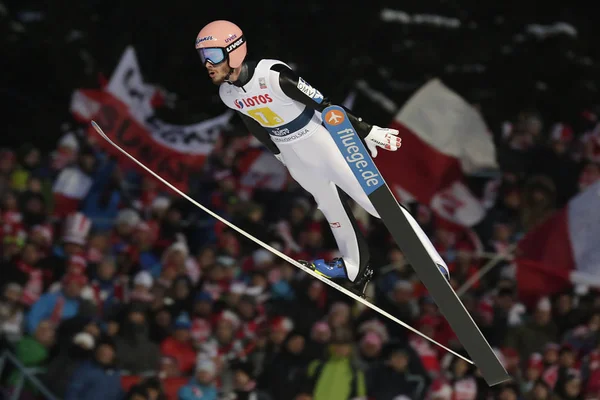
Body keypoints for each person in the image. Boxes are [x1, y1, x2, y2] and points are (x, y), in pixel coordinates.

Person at [195, 20, 450, 294]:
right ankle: (355, 266)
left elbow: (325, 104)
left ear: (233, 51)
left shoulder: (273, 75)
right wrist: (279, 154)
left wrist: (366, 131)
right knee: (330, 208)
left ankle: (432, 261)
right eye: (203, 57)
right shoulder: (227, 94)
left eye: (212, 55)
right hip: (294, 156)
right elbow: (254, 124)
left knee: (376, 202)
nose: (207, 64)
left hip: (321, 142)